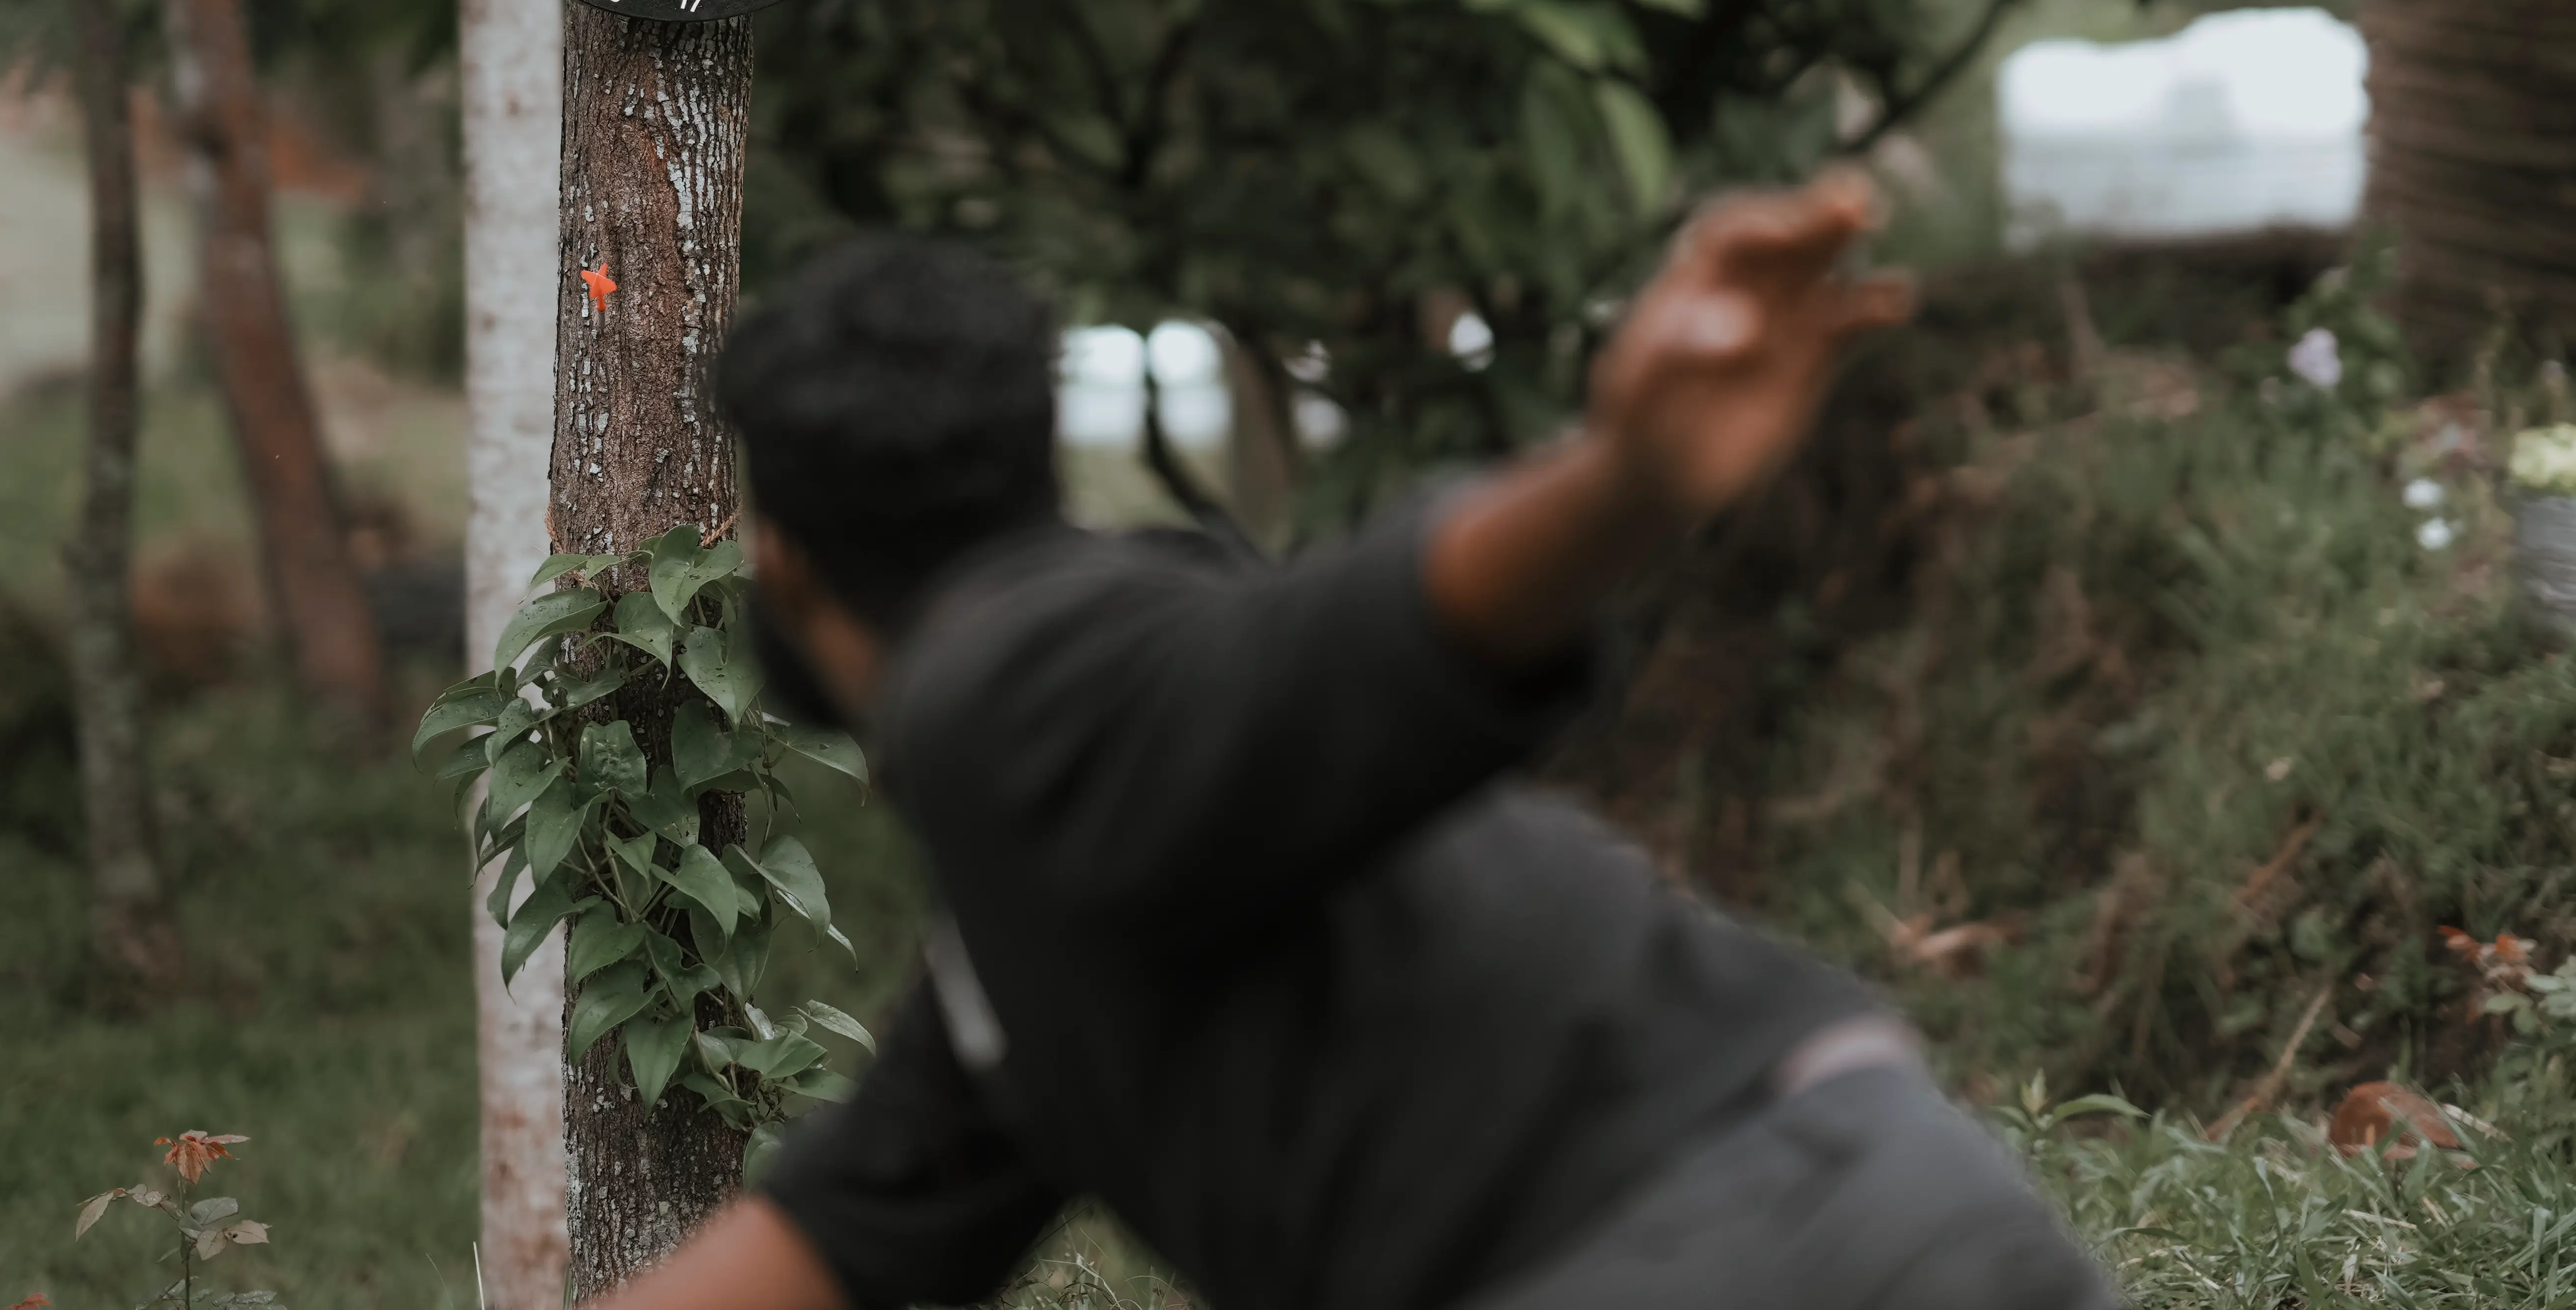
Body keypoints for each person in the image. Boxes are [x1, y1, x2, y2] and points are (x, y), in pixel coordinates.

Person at [614, 172, 2115, 1310]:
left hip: (1719, 1238)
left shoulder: (1009, 680)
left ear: (788, 559)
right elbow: (829, 1240)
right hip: (1852, 1183)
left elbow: (1340, 651)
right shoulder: (1039, 932)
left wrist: (1620, 486)